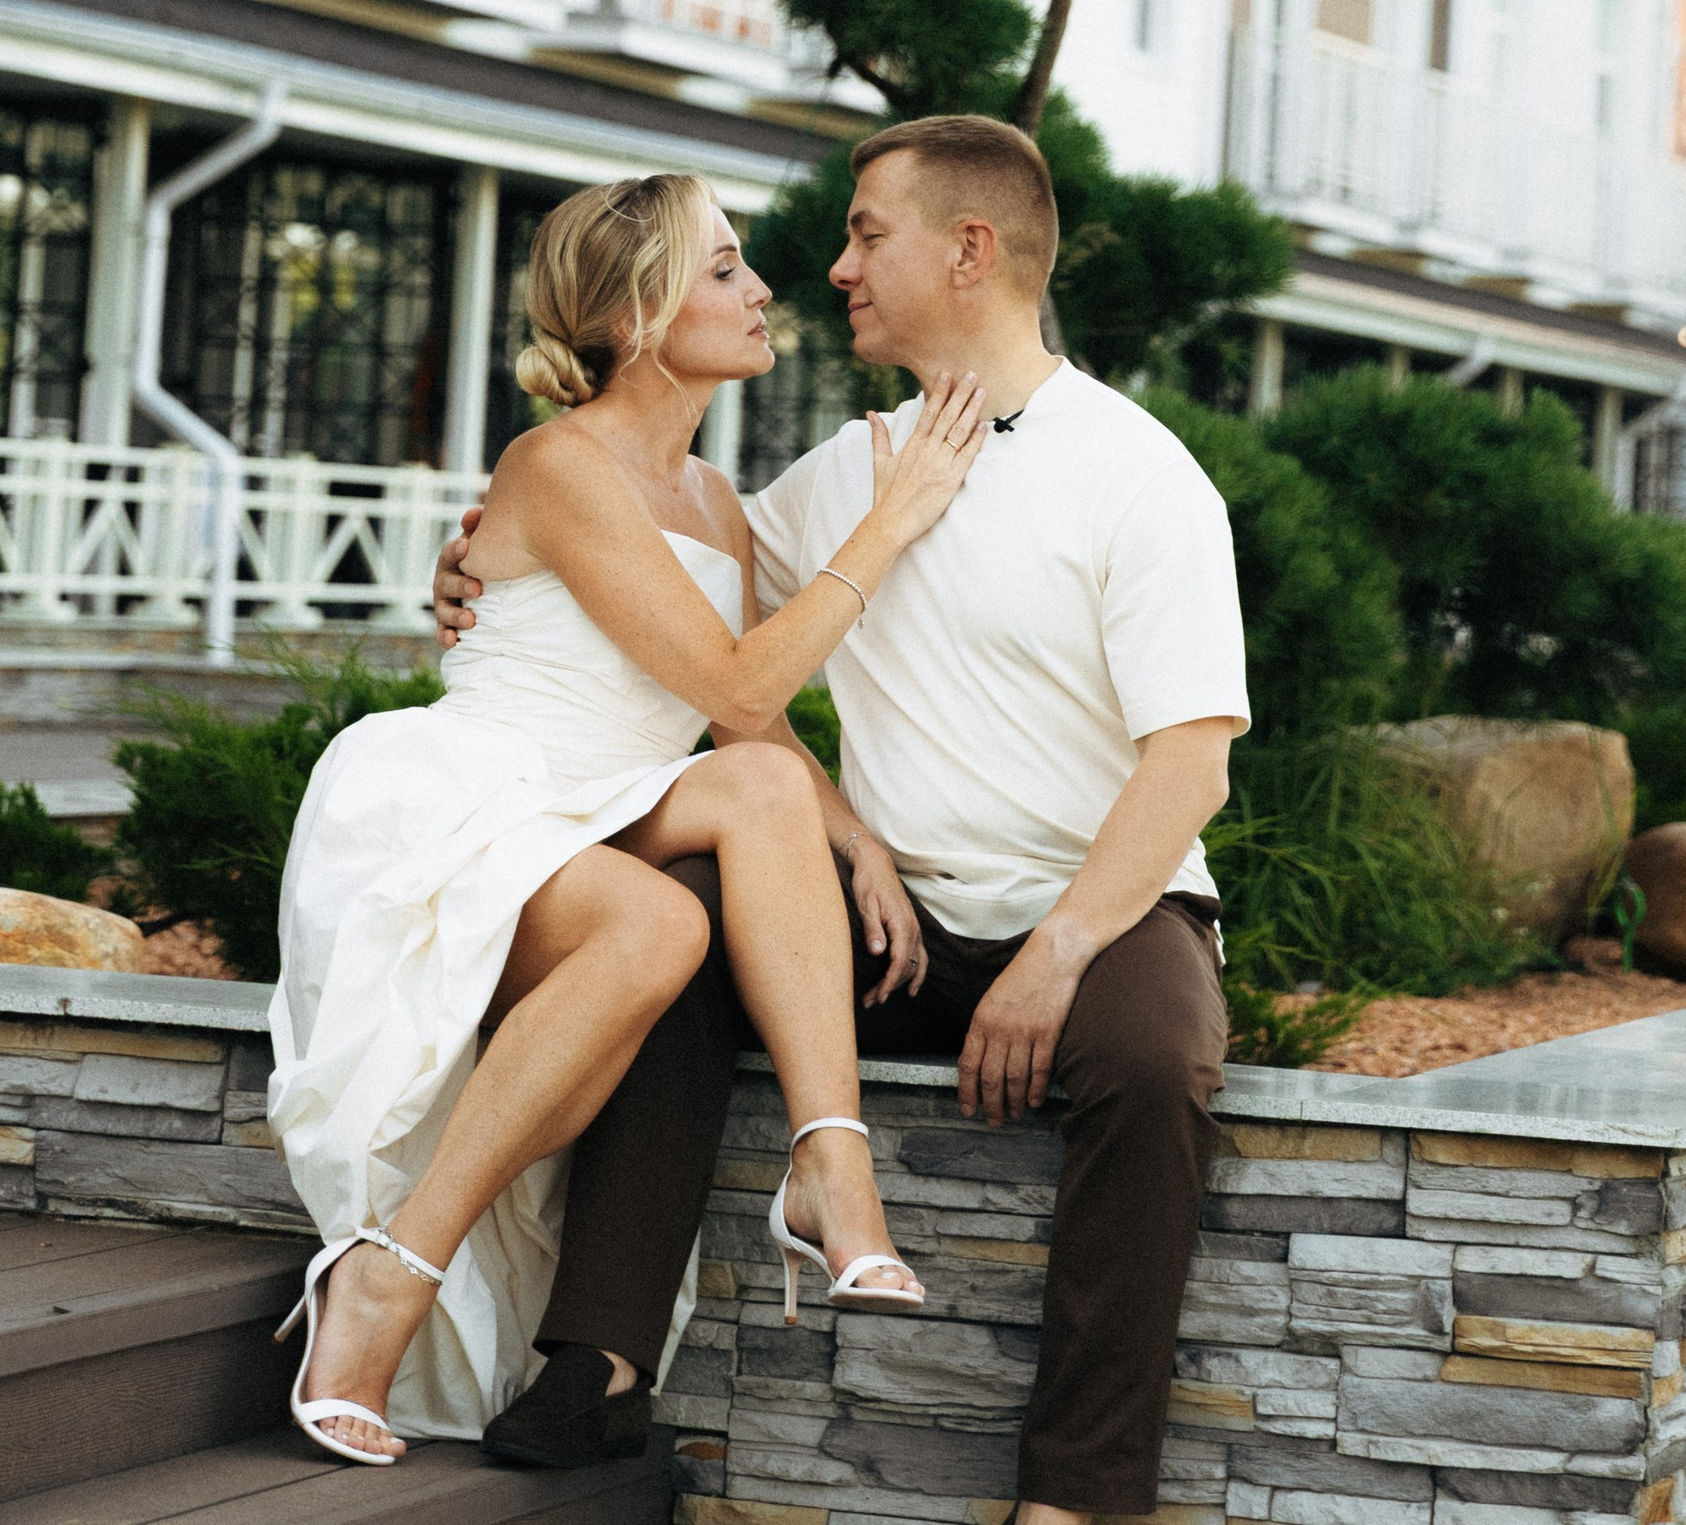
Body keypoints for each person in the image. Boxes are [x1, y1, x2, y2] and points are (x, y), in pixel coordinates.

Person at [438, 112, 1251, 1525]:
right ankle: (599, 1373)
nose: (835, 267)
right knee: (682, 951)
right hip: (898, 927)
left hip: (1103, 912)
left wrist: (1058, 953)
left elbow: (1192, 765)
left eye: (869, 233)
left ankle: (1076, 1497)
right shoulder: (835, 479)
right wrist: (481, 564)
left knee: (1157, 1061)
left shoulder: (1138, 473)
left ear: (971, 250)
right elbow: (659, 579)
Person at [268, 167, 989, 1466]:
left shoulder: (717, 504)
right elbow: (734, 680)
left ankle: (834, 1157)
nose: (764, 290)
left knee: (768, 787)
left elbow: (747, 732)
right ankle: (389, 1272)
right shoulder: (556, 462)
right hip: (481, 802)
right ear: (637, 315)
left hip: (609, 807)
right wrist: (892, 524)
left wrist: (858, 837)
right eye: (724, 270)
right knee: (661, 931)